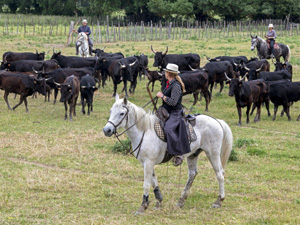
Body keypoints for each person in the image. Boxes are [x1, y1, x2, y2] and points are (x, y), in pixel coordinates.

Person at [156, 63, 191, 166]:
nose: (164, 73)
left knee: (168, 129)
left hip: (175, 112)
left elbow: (173, 102)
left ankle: (178, 153)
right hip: (166, 110)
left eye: (165, 72)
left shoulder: (176, 85)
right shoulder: (170, 83)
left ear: (168, 73)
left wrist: (162, 96)